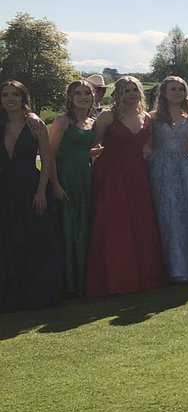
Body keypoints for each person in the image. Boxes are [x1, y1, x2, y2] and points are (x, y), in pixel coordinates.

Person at [86, 76, 166, 296]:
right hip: (111, 173)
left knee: (139, 222)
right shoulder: (108, 116)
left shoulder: (146, 118)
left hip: (138, 172)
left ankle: (141, 275)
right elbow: (90, 145)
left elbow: (150, 147)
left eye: (135, 90)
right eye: (127, 90)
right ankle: (113, 277)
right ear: (119, 93)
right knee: (114, 222)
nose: (132, 94)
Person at [0, 80, 64, 311]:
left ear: (23, 98)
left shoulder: (35, 124)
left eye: (14, 95)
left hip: (30, 188)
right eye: (5, 94)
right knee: (7, 241)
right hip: (4, 189)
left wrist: (41, 191)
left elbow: (47, 159)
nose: (9, 99)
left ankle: (36, 295)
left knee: (35, 241)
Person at [147, 76, 188, 282]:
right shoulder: (152, 118)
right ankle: (173, 267)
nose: (177, 92)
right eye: (172, 89)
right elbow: (146, 146)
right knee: (168, 216)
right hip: (161, 169)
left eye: (181, 89)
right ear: (164, 92)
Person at [48, 80, 98, 297]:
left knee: (84, 227)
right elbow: (49, 155)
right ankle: (68, 284)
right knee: (69, 228)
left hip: (86, 177)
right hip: (66, 177)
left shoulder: (91, 123)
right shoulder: (62, 121)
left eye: (87, 93)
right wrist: (56, 185)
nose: (82, 97)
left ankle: (84, 281)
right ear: (70, 97)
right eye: (77, 93)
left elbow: (85, 152)